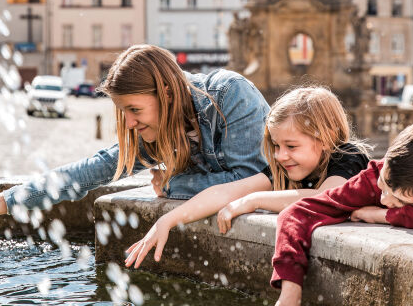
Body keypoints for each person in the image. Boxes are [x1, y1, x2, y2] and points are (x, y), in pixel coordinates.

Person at [0, 44, 270, 235]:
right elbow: (90, 171)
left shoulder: (230, 94)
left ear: (167, 94)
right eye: (123, 111)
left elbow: (253, 180)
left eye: (134, 109)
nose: (129, 123)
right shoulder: (158, 129)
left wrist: (174, 185)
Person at [123, 86, 370, 268]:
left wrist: (254, 200)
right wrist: (167, 220)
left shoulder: (348, 156)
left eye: (291, 146)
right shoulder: (283, 168)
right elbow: (226, 192)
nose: (280, 156)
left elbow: (325, 197)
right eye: (276, 146)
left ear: (326, 138)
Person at [270, 119, 413, 306]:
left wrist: (381, 216)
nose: (383, 200)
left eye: (399, 200)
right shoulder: (375, 175)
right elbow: (297, 213)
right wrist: (290, 290)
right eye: (383, 185)